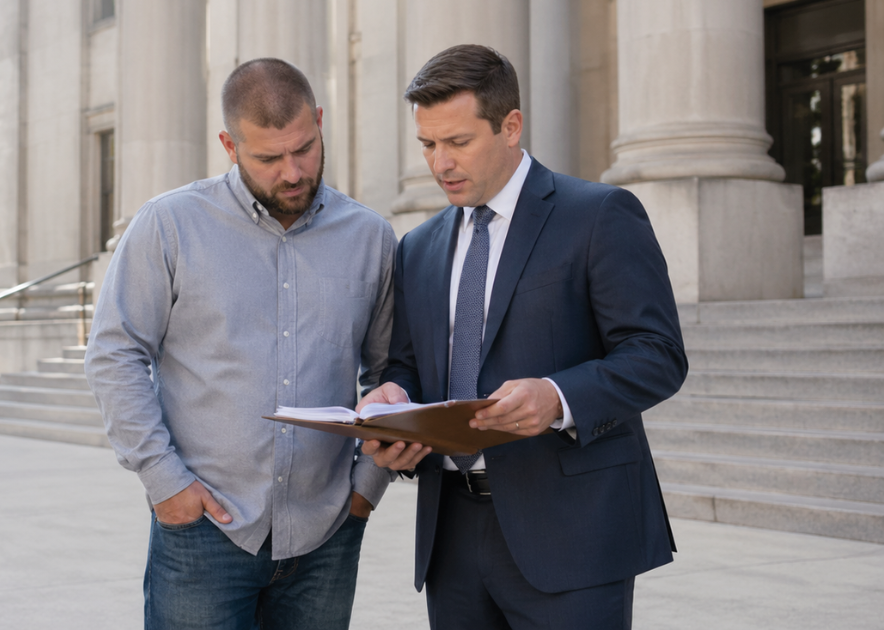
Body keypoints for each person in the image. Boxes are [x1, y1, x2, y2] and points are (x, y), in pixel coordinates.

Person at [359, 44, 687, 629]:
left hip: (574, 536)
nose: (440, 164)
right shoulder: (418, 247)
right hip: (452, 538)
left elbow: (657, 354)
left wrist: (558, 399)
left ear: (511, 127)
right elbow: (404, 367)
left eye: (458, 142)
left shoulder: (599, 214)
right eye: (428, 145)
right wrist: (391, 402)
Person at [83, 58, 396, 630]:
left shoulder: (370, 236)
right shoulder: (169, 225)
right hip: (204, 532)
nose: (293, 172)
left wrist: (364, 491)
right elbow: (114, 353)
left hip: (327, 533)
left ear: (320, 122)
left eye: (304, 148)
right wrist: (165, 483)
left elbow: (389, 370)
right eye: (269, 158)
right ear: (229, 144)